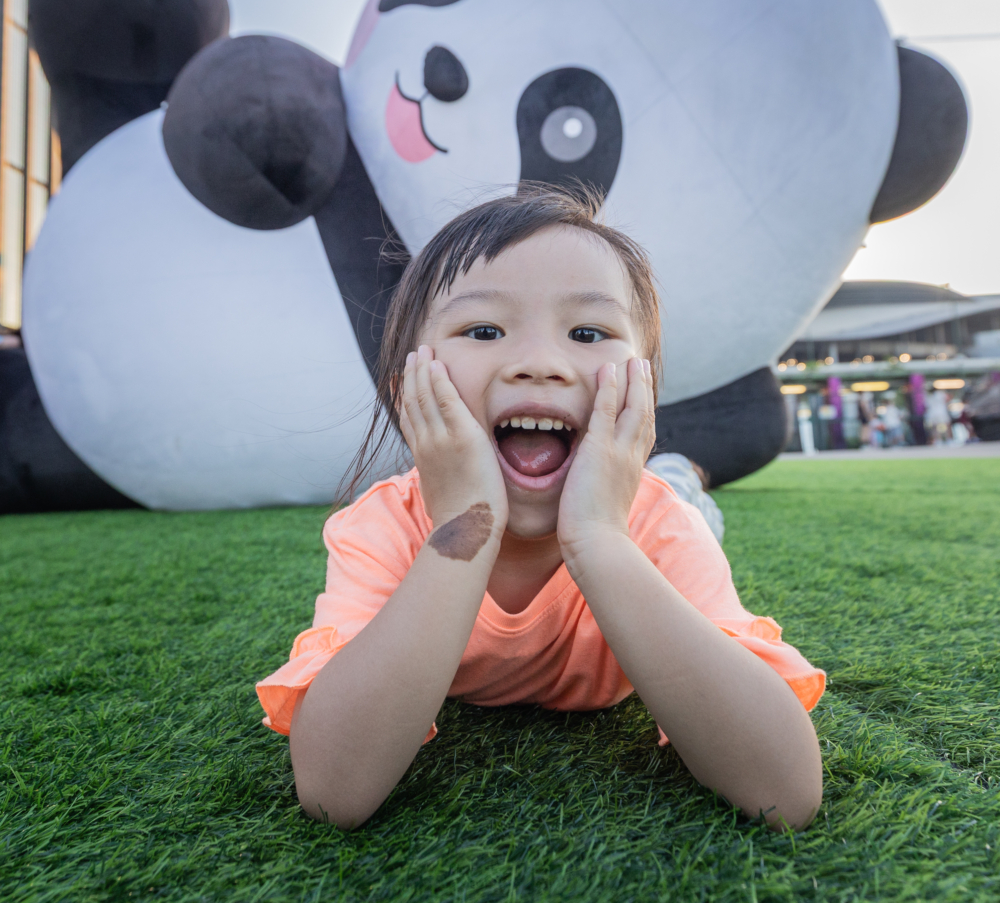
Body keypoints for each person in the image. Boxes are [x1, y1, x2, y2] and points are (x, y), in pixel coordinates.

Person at [256, 188, 824, 832]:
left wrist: (599, 538)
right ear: (408, 389)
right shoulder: (381, 528)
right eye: (484, 330)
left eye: (587, 333)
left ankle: (681, 473)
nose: (539, 365)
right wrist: (464, 523)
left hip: (659, 505)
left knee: (687, 505)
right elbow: (334, 791)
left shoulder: (661, 528)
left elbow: (785, 793)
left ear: (642, 391)